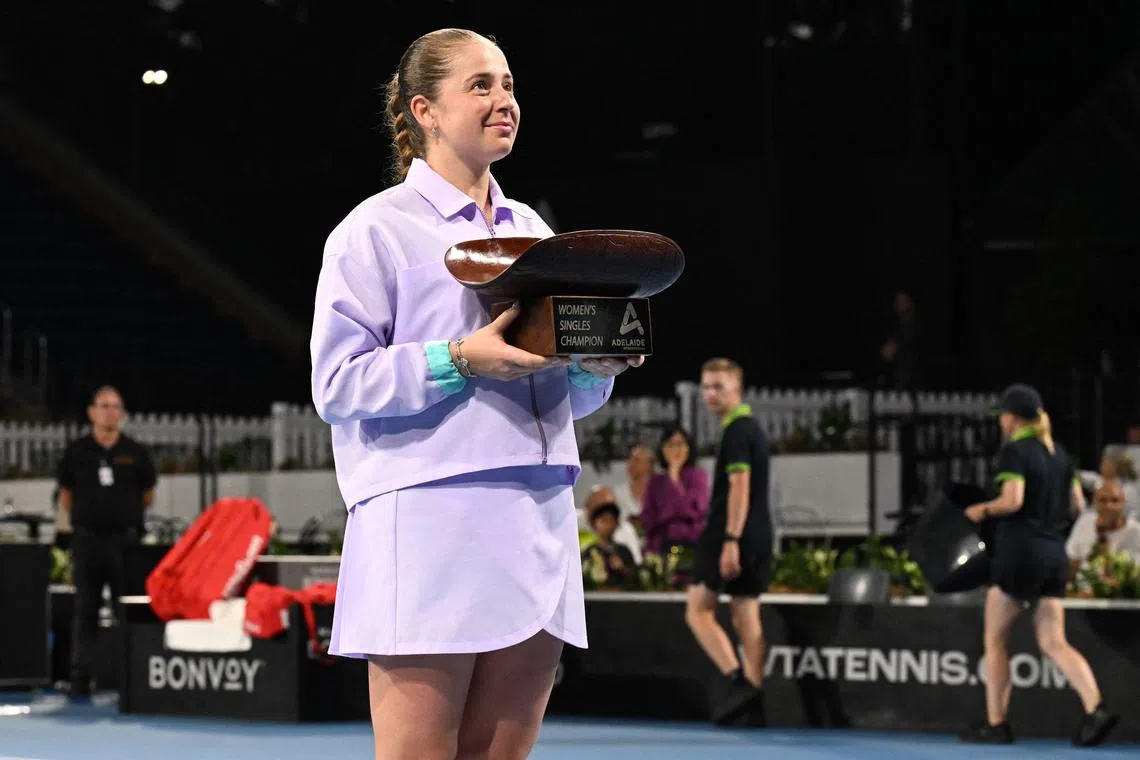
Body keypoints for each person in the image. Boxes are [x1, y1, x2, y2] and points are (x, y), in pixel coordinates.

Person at [309, 28, 642, 760]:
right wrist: (458, 359)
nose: (505, 101)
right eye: (482, 85)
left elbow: (566, 398)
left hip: (538, 520)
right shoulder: (374, 232)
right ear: (425, 110)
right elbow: (336, 385)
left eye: (511, 84)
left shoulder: (534, 230)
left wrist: (595, 367)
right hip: (430, 519)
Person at [959, 383, 1118, 746]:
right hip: (1052, 554)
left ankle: (996, 724)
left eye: (1003, 418)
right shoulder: (1059, 454)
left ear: (1012, 419)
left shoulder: (1015, 452)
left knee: (995, 639)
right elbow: (1078, 505)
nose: (1002, 424)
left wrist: (981, 509)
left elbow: (1012, 501)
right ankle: (1096, 709)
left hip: (1019, 554)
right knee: (1052, 640)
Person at [684, 358, 770, 725]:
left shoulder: (737, 431)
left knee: (698, 610)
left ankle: (741, 683)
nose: (710, 394)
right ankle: (755, 700)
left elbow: (740, 486)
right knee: (745, 613)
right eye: (705, 386)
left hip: (731, 534)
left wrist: (731, 539)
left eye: (718, 386)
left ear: (738, 389)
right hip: (758, 533)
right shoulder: (751, 428)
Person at [56, 385, 156, 699]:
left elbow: (148, 496)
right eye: (104, 405)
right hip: (87, 542)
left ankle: (130, 677)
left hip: (125, 544)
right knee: (85, 609)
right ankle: (81, 677)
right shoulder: (77, 452)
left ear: (122, 414)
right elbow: (66, 496)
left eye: (115, 406)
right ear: (92, 412)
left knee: (125, 609)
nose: (109, 411)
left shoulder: (136, 453)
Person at [640, 426, 709, 554]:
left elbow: (694, 510)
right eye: (671, 445)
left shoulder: (698, 476)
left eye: (680, 444)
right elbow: (648, 517)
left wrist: (674, 477)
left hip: (692, 544)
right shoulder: (655, 482)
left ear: (688, 448)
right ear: (663, 450)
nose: (676, 450)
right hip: (661, 545)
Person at [1066, 478, 1140, 570]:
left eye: (1115, 500)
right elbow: (1073, 561)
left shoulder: (1136, 532)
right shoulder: (1085, 523)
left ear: (1124, 503)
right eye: (1103, 500)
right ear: (1095, 503)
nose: (1108, 505)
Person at [581, 501, 639, 591]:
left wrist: (622, 568)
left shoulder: (623, 550)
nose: (608, 525)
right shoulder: (589, 551)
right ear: (594, 524)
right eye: (604, 520)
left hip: (621, 600)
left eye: (611, 520)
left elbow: (636, 579)